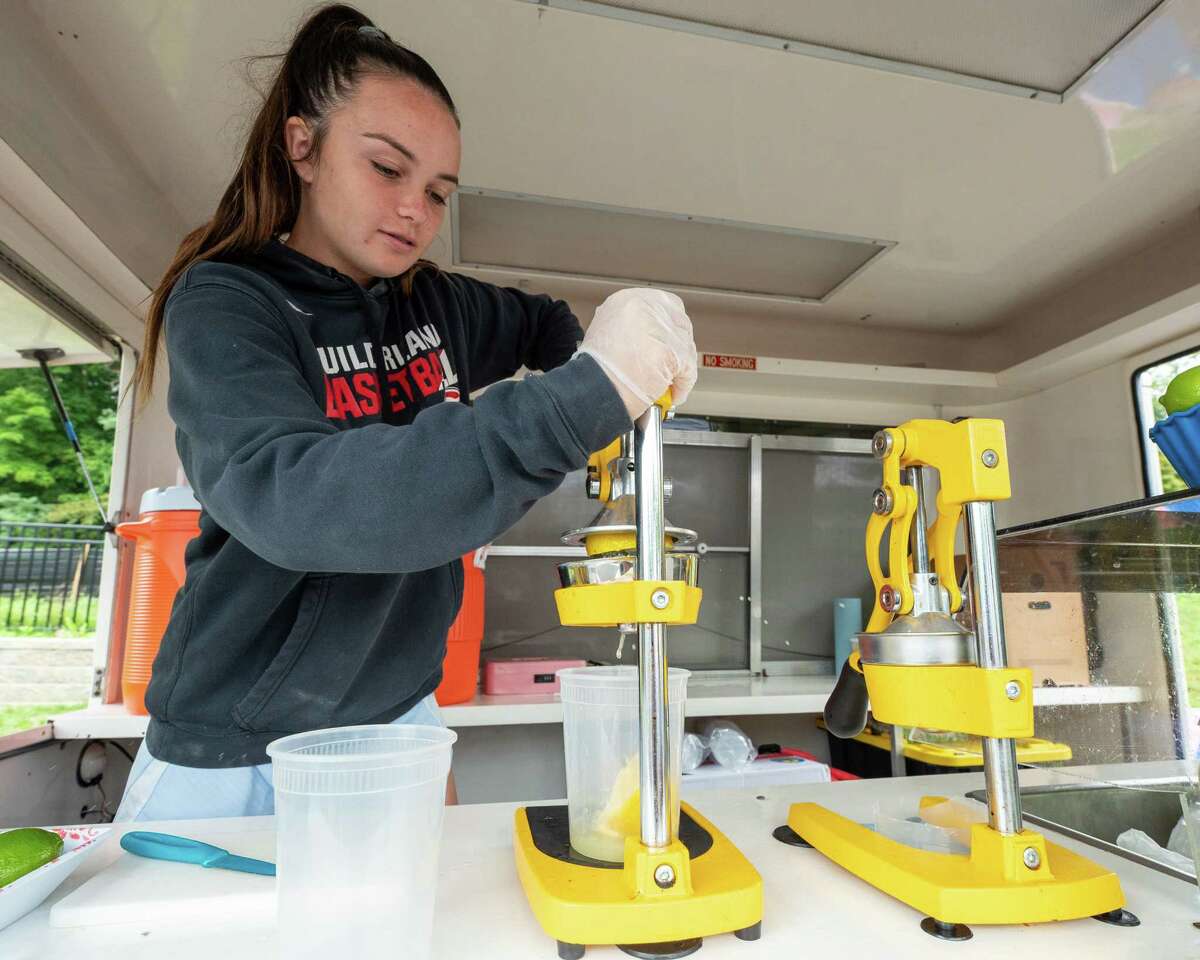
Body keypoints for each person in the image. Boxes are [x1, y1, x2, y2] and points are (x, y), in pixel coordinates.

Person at [113, 3, 697, 821]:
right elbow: (298, 502)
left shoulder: (439, 306)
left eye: (438, 192)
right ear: (302, 146)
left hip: (399, 713)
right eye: (388, 169)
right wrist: (587, 397)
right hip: (234, 743)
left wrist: (604, 357)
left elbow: (544, 323)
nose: (416, 210)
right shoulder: (229, 301)